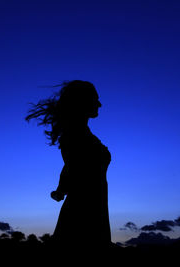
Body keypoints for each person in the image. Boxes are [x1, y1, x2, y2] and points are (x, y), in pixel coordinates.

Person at [26, 80, 112, 248]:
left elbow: (71, 165)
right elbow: (73, 165)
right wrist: (62, 188)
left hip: (92, 205)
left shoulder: (80, 133)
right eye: (95, 99)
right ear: (82, 102)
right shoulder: (75, 134)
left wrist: (61, 188)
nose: (100, 104)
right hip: (84, 209)